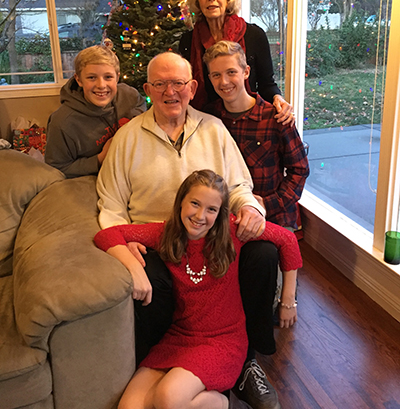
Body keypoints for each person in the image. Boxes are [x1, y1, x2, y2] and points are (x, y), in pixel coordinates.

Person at [97, 51, 281, 409]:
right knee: (150, 277)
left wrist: (250, 208)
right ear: (148, 89)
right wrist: (125, 250)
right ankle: (166, 364)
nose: (171, 92)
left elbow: (240, 185)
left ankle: (246, 363)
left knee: (263, 254)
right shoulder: (127, 138)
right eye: (161, 84)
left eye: (179, 83)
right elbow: (111, 206)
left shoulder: (214, 129)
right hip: (157, 244)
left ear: (193, 88)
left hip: (214, 239)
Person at [94, 170, 302, 409]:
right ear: (181, 200)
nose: (200, 216)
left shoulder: (233, 232)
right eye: (195, 203)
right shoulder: (165, 234)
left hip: (223, 340)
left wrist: (287, 302)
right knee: (129, 407)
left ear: (220, 214)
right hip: (180, 337)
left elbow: (287, 240)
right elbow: (107, 234)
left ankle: (221, 404)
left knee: (168, 398)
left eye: (211, 210)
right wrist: (134, 267)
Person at [203, 40, 310, 229]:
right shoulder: (208, 117)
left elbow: (299, 169)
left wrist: (268, 203)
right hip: (224, 218)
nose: (224, 82)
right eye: (216, 75)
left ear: (246, 72)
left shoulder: (276, 117)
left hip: (272, 217)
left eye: (231, 72)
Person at [179, 0, 294, 125]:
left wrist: (278, 98)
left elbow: (266, 83)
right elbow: (186, 89)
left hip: (246, 122)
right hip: (204, 125)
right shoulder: (187, 41)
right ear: (198, 1)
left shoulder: (254, 35)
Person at [45, 45, 146, 178]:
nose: (101, 85)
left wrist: (132, 124)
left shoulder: (128, 95)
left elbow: (141, 104)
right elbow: (56, 168)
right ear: (79, 80)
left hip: (133, 169)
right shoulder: (62, 123)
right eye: (92, 78)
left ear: (117, 77)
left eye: (108, 77)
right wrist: (100, 159)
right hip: (93, 179)